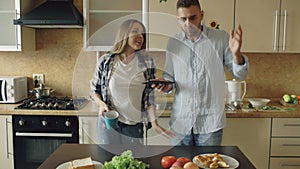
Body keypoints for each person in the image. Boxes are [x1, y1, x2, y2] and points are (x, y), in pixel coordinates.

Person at [154, 0, 249, 146]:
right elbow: (170, 78)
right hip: (181, 121)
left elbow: (240, 74)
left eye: (193, 17)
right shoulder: (173, 42)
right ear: (177, 18)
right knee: (178, 166)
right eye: (183, 19)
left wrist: (236, 54)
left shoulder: (221, 39)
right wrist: (165, 85)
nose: (188, 24)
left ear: (202, 15)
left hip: (210, 123)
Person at [90, 19, 174, 145]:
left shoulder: (147, 62)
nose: (140, 36)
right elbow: (94, 90)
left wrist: (155, 124)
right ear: (124, 34)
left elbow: (150, 98)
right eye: (135, 31)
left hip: (135, 126)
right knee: (108, 163)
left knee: (134, 164)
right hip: (109, 124)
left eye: (142, 33)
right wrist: (101, 104)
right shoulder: (106, 61)